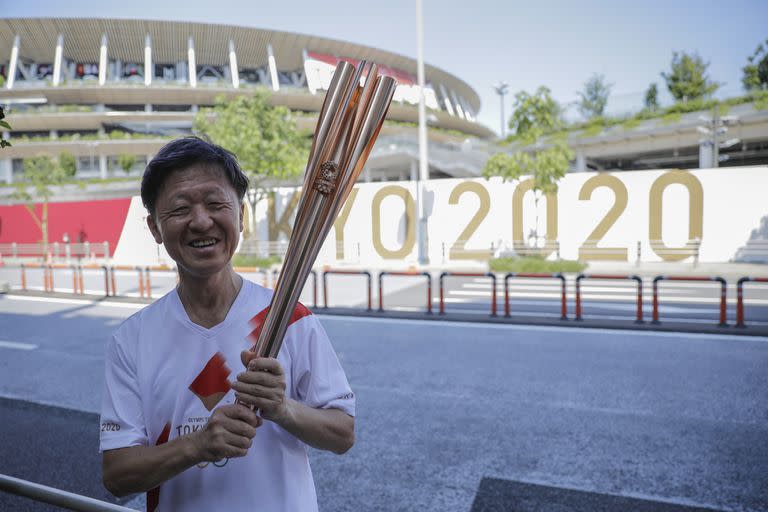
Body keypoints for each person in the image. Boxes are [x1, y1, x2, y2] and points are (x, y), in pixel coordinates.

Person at [100, 137, 355, 512]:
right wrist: (198, 445)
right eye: (180, 208)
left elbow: (343, 434)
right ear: (154, 228)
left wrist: (283, 408)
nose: (201, 221)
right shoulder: (131, 340)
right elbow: (117, 476)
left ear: (241, 216)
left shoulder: (289, 318)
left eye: (216, 204)